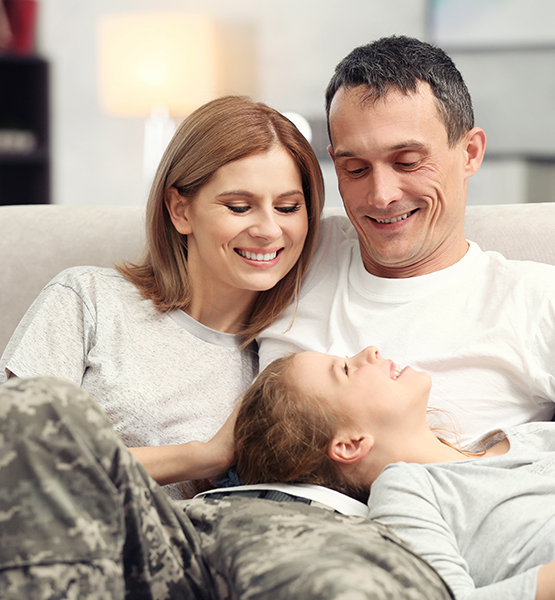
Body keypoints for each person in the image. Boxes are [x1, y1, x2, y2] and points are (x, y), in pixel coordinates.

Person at [0, 95, 324, 498]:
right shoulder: (89, 299)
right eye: (240, 207)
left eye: (288, 207)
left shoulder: (285, 359)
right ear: (179, 210)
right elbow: (16, 457)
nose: (270, 229)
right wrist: (205, 455)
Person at [257, 35, 555, 449]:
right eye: (356, 169)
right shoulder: (286, 250)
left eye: (407, 163)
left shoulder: (536, 300)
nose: (381, 196)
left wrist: (493, 458)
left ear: (469, 152)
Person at [0, 375, 452, 600]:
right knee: (41, 406)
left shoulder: (507, 458)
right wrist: (209, 454)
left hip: (330, 540)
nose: (372, 351)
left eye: (344, 368)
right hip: (186, 526)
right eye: (347, 368)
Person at [232, 346, 555, 599]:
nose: (370, 351)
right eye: (346, 368)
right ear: (349, 444)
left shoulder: (528, 437)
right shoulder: (407, 489)